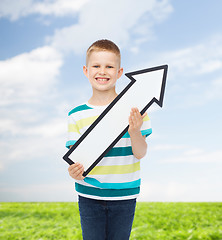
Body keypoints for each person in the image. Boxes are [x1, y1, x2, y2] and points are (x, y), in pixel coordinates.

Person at [66, 39, 152, 240]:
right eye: (96, 66)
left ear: (119, 72)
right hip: (89, 196)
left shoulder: (136, 109)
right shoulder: (75, 115)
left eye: (109, 67)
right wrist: (73, 172)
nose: (102, 71)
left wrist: (135, 131)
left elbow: (140, 153)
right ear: (86, 71)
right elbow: (76, 162)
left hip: (124, 195)